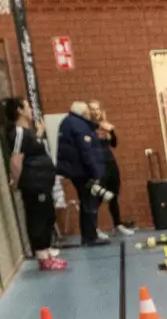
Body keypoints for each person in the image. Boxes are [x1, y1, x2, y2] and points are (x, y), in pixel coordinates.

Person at [0, 96, 65, 270]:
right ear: (19, 110)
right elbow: (16, 159)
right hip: (34, 184)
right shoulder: (18, 132)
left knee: (48, 215)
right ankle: (42, 256)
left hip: (43, 182)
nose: (31, 110)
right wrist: (15, 181)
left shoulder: (28, 132)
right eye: (27, 106)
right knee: (38, 219)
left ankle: (48, 251)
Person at [55, 100, 110, 245]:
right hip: (82, 171)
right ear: (83, 113)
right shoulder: (80, 126)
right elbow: (86, 151)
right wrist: (95, 172)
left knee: (87, 201)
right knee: (89, 203)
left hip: (75, 170)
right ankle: (90, 236)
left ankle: (88, 235)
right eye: (87, 112)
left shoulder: (67, 122)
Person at [86, 102, 135, 235]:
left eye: (97, 109)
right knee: (99, 197)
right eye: (92, 109)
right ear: (88, 111)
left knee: (114, 193)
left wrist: (112, 131)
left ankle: (117, 224)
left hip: (110, 162)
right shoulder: (87, 127)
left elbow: (114, 144)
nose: (96, 112)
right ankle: (94, 228)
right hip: (98, 164)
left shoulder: (105, 126)